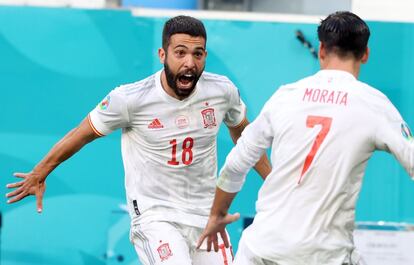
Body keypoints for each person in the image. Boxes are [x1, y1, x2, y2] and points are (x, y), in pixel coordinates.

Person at [6, 15, 271, 265]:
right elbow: (81, 134)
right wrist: (41, 172)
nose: (189, 62)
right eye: (180, 53)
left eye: (197, 54)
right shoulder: (129, 99)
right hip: (156, 216)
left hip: (207, 215)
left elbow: (246, 138)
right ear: (162, 55)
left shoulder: (222, 91)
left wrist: (274, 181)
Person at [197, 11, 414, 265]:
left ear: (321, 49)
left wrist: (217, 214)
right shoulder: (374, 104)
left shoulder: (285, 96)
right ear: (365, 54)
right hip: (322, 255)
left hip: (261, 250)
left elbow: (235, 165)